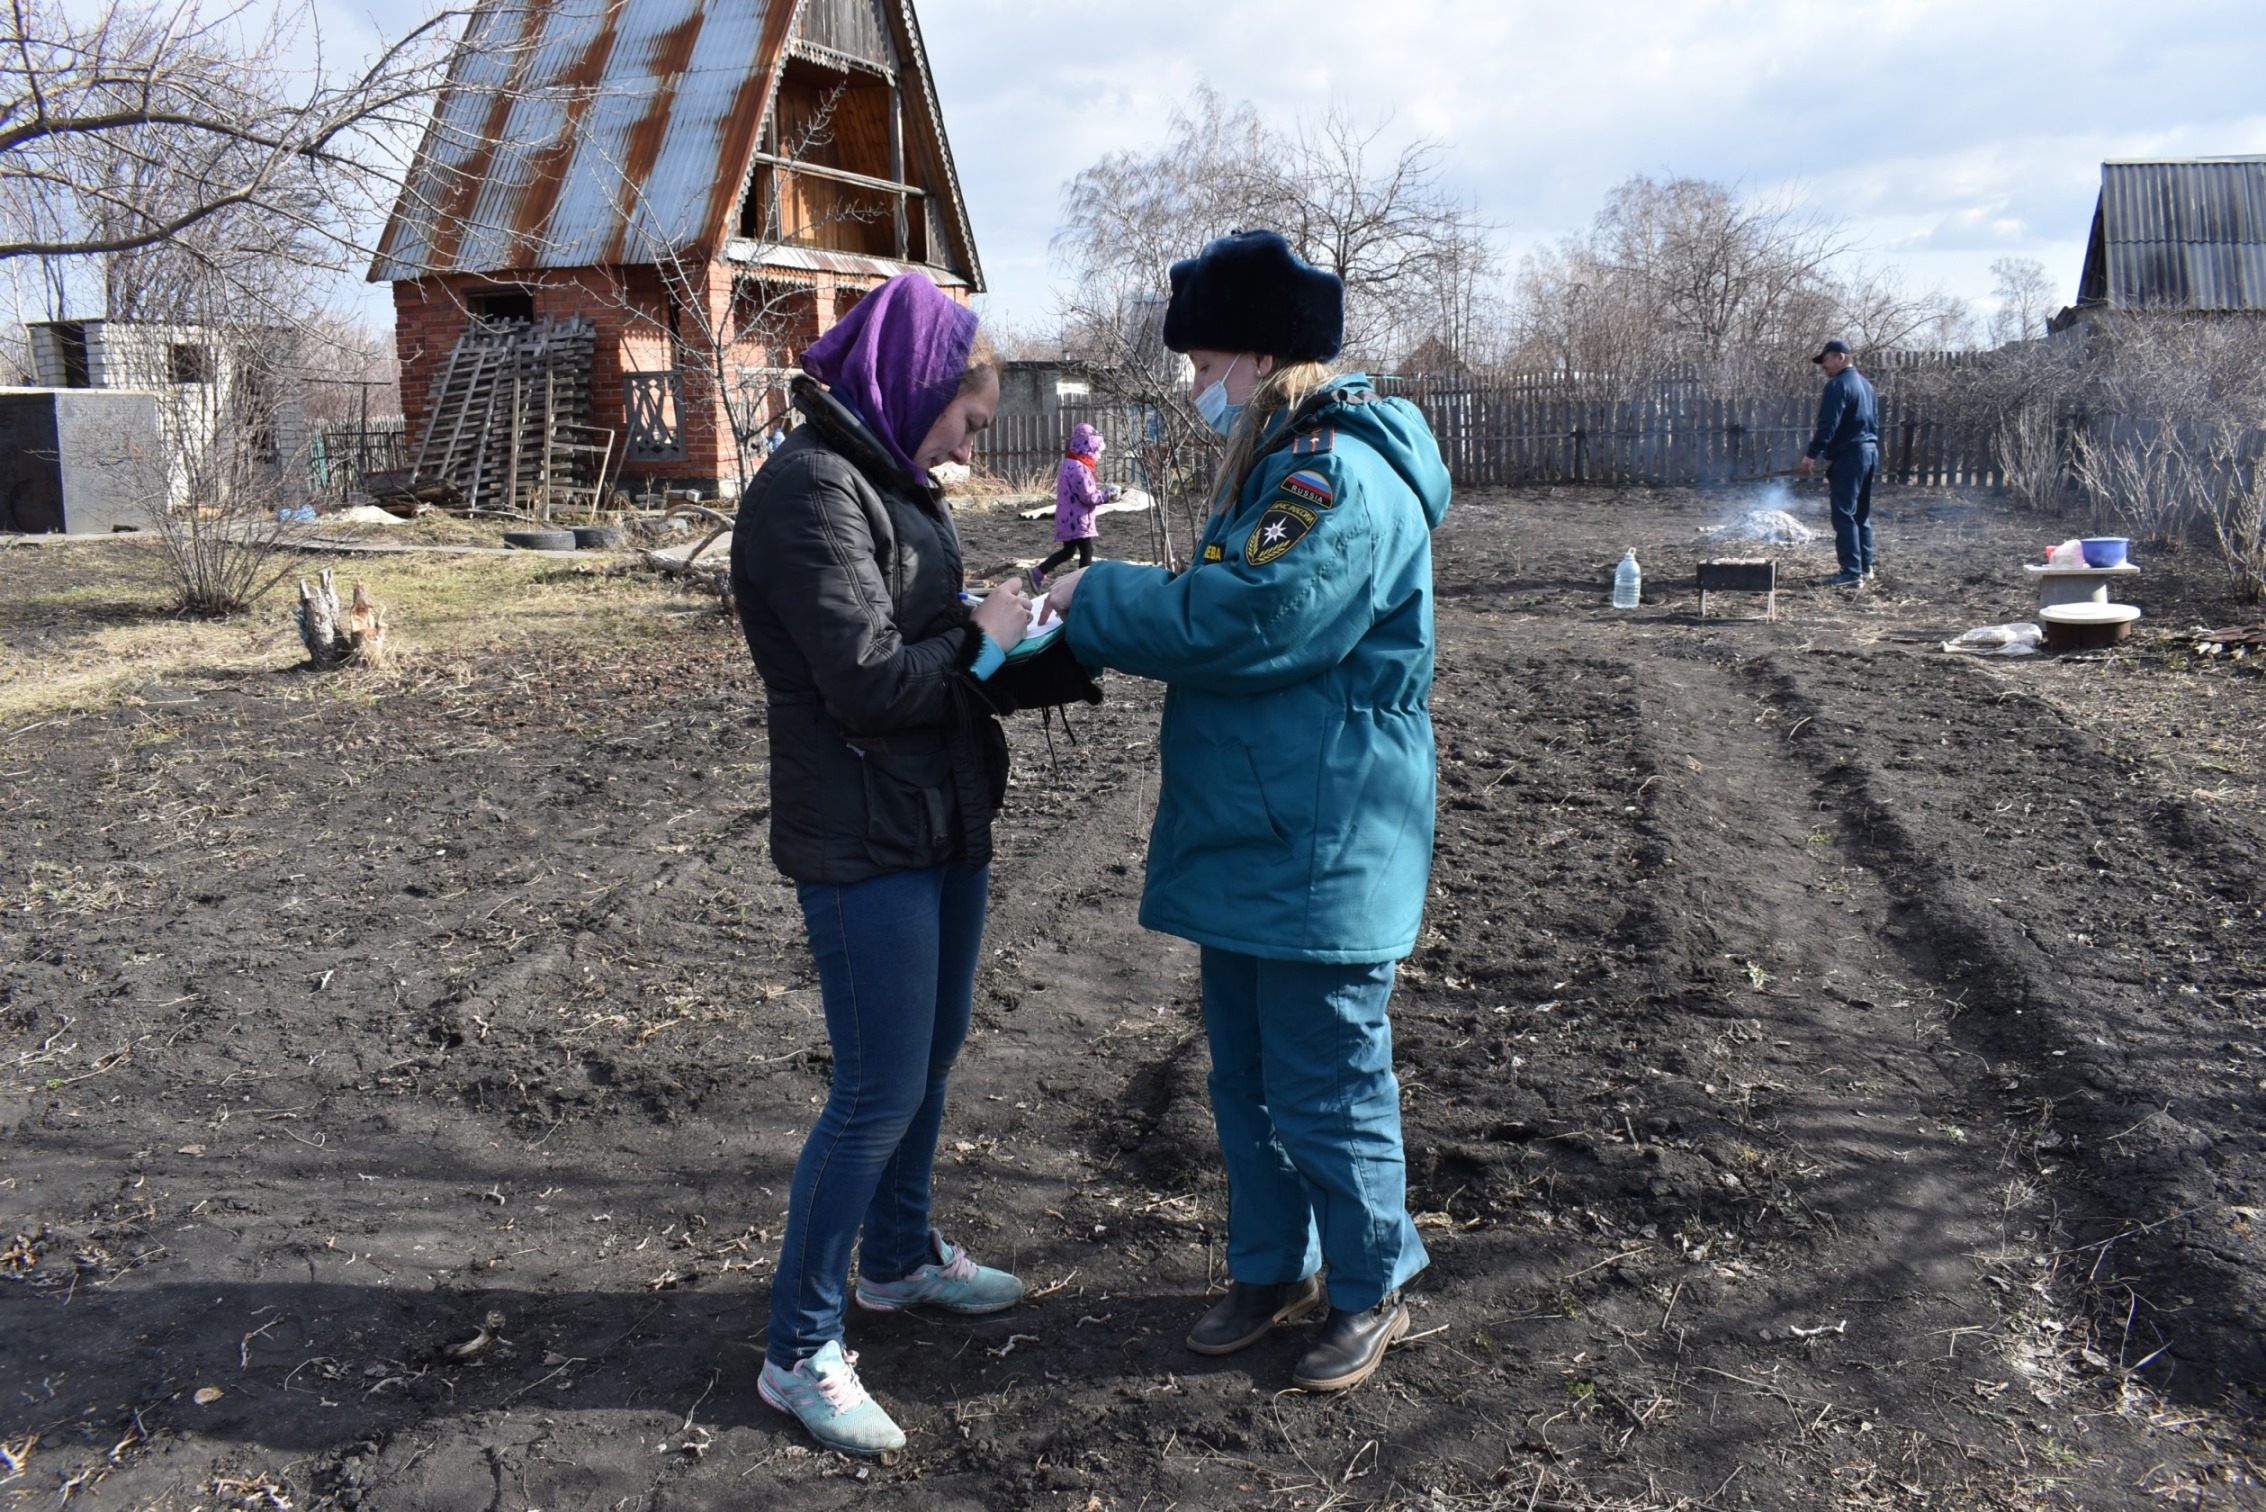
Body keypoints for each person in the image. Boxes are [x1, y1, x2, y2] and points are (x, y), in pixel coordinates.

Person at [1043, 230, 1450, 1393]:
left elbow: (1256, 617)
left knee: (1326, 1079)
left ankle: (1371, 1285)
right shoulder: (1283, 460)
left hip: (1322, 833)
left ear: (1261, 356)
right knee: (1246, 1079)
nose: (1194, 387)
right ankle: (1268, 1265)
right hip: (1260, 827)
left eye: (1204, 362)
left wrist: (1096, 596)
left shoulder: (1335, 474)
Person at [729, 272, 1034, 1458]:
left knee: (929, 1060)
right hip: (862, 834)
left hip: (933, 816)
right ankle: (798, 1350)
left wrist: (994, 628)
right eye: (963, 422)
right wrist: (987, 645)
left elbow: (920, 628)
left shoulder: (888, 481)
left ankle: (898, 1261)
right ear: (913, 387)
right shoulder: (810, 491)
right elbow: (863, 679)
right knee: (871, 1092)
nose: (967, 447)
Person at [1798, 338, 1880, 587]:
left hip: (1850, 456)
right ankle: (1865, 567)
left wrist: (1812, 453)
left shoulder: (1838, 385)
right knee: (1860, 514)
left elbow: (1828, 424)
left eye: (1826, 360)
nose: (1824, 367)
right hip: (1869, 452)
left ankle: (1851, 572)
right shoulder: (1865, 385)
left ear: (1840, 358)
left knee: (1843, 514)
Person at [1033, 421, 1112, 582]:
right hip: (1078, 519)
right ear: (1088, 448)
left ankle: (1039, 571)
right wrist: (1107, 495)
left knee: (1069, 551)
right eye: (1097, 452)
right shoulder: (1080, 468)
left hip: (1067, 517)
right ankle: (1083, 583)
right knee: (1087, 551)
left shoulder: (1070, 462)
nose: (1099, 456)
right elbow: (1088, 496)